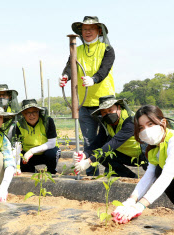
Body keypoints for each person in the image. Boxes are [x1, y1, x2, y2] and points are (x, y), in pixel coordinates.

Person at [59, 16, 115, 176]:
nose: (87, 31)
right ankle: (91, 174)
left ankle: (115, 172)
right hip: (84, 103)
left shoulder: (107, 49)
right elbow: (70, 67)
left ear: (99, 30)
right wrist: (65, 77)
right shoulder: (77, 50)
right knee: (89, 141)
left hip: (105, 104)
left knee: (109, 139)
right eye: (84, 29)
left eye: (91, 28)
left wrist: (94, 79)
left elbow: (105, 69)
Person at [73, 95, 147, 178]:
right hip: (127, 156)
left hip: (144, 156)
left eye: (110, 110)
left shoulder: (130, 121)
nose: (107, 114)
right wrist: (85, 154)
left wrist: (89, 161)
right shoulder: (106, 123)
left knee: (152, 173)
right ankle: (131, 177)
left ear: (119, 107)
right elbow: (98, 142)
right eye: (104, 112)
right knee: (103, 156)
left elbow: (113, 143)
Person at [15, 99, 60, 174]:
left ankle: (51, 172)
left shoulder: (47, 121)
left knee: (51, 154)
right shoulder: (19, 125)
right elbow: (17, 145)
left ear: (38, 112)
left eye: (34, 112)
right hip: (28, 156)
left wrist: (31, 151)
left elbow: (52, 143)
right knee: (22, 162)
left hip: (46, 152)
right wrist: (17, 167)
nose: (31, 115)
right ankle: (31, 172)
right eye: (28, 113)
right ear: (23, 114)